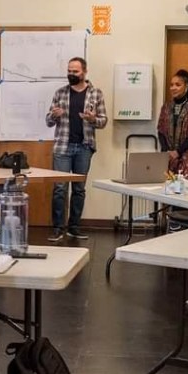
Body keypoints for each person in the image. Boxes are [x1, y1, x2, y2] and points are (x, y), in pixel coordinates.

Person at [45, 57, 108, 242]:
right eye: (69, 71)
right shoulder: (60, 93)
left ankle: (74, 227)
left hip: (84, 147)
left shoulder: (96, 93)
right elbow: (48, 121)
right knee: (59, 188)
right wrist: (54, 116)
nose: (71, 74)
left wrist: (92, 119)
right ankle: (58, 228)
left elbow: (103, 121)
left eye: (75, 71)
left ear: (84, 72)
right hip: (63, 146)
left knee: (79, 189)